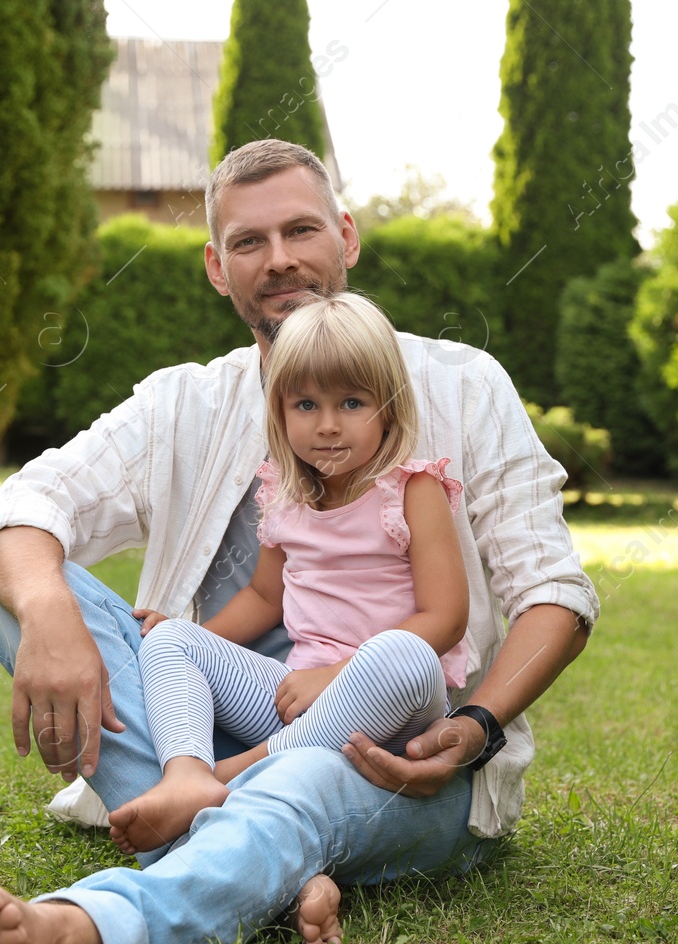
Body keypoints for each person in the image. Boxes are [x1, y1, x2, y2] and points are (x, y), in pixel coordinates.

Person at [0, 139, 600, 944]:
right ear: (218, 268)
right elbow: (24, 506)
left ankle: (81, 937)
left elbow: (554, 591)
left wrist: (478, 723)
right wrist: (47, 606)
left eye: (301, 230)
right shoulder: (183, 401)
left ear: (347, 237)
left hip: (398, 752)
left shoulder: (463, 387)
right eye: (250, 242)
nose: (281, 258)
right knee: (29, 611)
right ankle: (248, 840)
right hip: (233, 711)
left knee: (304, 783)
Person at [110, 291, 473, 858]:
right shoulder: (283, 491)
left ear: (390, 407)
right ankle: (187, 774)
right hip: (296, 700)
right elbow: (263, 596)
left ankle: (225, 779)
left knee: (402, 653)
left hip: (394, 704)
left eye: (352, 403)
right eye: (306, 406)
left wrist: (337, 674)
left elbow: (446, 619)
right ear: (278, 411)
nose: (327, 426)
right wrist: (199, 641)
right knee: (172, 636)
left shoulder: (412, 490)